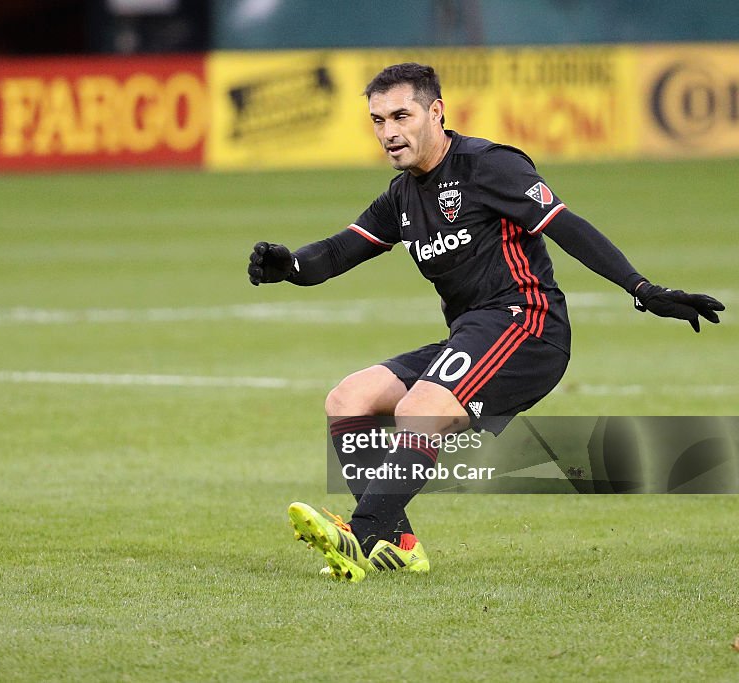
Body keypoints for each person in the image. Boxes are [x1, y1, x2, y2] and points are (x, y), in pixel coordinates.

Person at [246, 63, 724, 582]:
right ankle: (397, 542)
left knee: (421, 408)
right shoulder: (403, 195)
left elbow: (565, 224)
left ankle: (362, 534)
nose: (388, 132)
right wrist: (290, 267)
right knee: (348, 398)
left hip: (528, 325)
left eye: (401, 115)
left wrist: (641, 288)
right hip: (476, 331)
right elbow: (339, 251)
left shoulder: (488, 165)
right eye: (378, 119)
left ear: (436, 112)